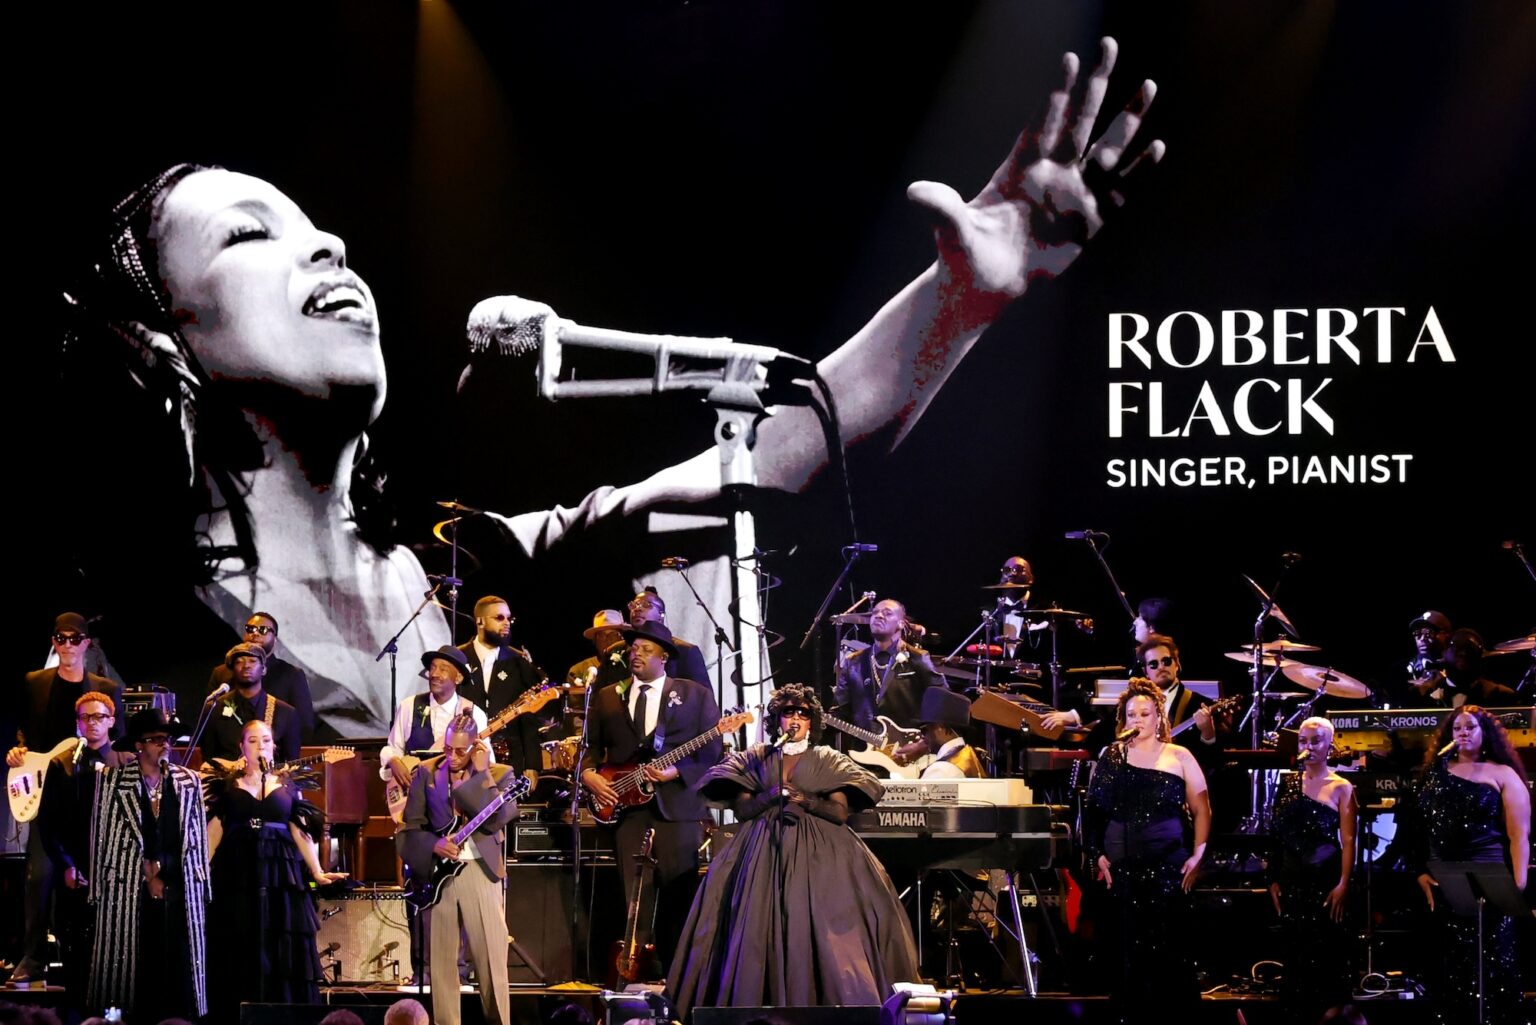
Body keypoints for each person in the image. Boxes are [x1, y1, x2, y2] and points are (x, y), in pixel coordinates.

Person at [55, 36, 1164, 735]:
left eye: (321, 224)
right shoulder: (137, 620)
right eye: (253, 235)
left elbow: (773, 451)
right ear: (163, 340)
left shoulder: (472, 557)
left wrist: (962, 295)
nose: (330, 244)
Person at [666, 684, 918, 1016]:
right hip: (760, 852)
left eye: (803, 713)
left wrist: (806, 800)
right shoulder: (758, 757)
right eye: (789, 713)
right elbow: (742, 811)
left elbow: (840, 813)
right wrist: (769, 796)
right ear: (777, 720)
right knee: (751, 929)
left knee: (831, 934)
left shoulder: (828, 758)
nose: (796, 719)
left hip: (823, 856)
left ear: (813, 720)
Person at [579, 620, 723, 972]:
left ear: (664, 657)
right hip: (627, 811)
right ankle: (637, 972)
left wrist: (677, 771)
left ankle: (679, 976)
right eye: (633, 649)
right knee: (635, 897)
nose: (636, 654)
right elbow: (589, 748)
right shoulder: (608, 696)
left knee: (679, 896)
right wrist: (589, 775)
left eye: (645, 649)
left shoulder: (695, 695)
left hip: (678, 808)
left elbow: (713, 753)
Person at [6, 613, 125, 988]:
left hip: (92, 794)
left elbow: (117, 739)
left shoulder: (105, 687)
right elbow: (24, 730)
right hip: (48, 787)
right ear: (54, 642)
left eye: (76, 639)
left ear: (87, 644)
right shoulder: (34, 682)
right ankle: (33, 956)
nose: (69, 645)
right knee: (39, 874)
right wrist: (19, 750)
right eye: (62, 638)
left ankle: (103, 958)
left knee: (98, 876)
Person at [204, 719, 346, 1019]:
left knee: (280, 939)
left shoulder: (287, 785)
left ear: (274, 746)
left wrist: (318, 871)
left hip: (280, 872)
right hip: (238, 869)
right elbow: (215, 830)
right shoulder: (228, 784)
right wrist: (202, 870)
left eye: (265, 740)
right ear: (242, 746)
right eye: (253, 740)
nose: (260, 746)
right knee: (239, 938)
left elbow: (300, 831)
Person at [1082, 678, 1210, 1006]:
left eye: (1145, 713)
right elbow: (1094, 811)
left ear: (1159, 718)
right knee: (1127, 957)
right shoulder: (1113, 755)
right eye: (1131, 714)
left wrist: (1198, 855)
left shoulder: (1179, 755)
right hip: (1124, 872)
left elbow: (1202, 808)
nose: (1138, 720)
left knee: (1169, 953)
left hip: (1168, 867)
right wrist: (1097, 855)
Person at [1405, 706, 1530, 1025]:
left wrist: (1517, 883)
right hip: (1445, 879)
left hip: (1489, 874)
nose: (1462, 732)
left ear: (1484, 733)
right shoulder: (1435, 772)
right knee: (1452, 964)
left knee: (1492, 961)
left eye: (1470, 727)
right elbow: (1415, 828)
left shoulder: (1502, 773)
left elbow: (1518, 834)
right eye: (1457, 727)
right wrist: (1420, 872)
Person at [86, 709, 209, 1023]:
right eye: (156, 740)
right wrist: (141, 873)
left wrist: (186, 879)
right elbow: (103, 835)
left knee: (177, 959)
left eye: (167, 739)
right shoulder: (113, 780)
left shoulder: (188, 780)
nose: (164, 745)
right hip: (129, 886)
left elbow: (196, 837)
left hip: (178, 885)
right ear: (139, 745)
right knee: (131, 963)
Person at [396, 714, 520, 1025]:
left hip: (480, 870)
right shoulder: (425, 772)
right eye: (448, 748)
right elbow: (410, 829)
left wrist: (480, 775)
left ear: (476, 746)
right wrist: (434, 845)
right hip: (441, 876)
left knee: (491, 962)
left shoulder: (500, 773)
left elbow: (497, 819)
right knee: (441, 966)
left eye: (460, 751)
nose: (452, 756)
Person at [35, 694, 127, 1008]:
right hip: (76, 870)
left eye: (99, 717)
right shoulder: (62, 765)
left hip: (116, 874)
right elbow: (47, 824)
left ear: (111, 721)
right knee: (74, 947)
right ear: (78, 723)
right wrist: (66, 864)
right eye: (86, 717)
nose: (92, 723)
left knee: (115, 949)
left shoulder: (126, 763)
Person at [1268, 716, 1357, 1017]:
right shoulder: (1288, 782)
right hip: (1292, 878)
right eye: (1304, 741)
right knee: (1296, 950)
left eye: (1316, 740)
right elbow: (1277, 834)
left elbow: (1348, 841)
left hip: (1325, 878)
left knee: (1326, 950)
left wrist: (1344, 883)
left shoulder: (1341, 787)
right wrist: (1274, 877)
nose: (1309, 747)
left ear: (1330, 745)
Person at [455, 595, 545, 777]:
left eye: (508, 618)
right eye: (499, 618)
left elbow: (528, 717)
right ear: (480, 621)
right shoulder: (458, 657)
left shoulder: (518, 661)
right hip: (464, 758)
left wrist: (532, 765)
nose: (507, 623)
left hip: (511, 760)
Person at [205, 611, 316, 742]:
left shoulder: (292, 675)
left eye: (263, 630)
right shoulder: (222, 673)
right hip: (227, 757)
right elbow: (209, 723)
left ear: (275, 639)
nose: (255, 633)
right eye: (250, 629)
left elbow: (304, 726)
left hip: (275, 756)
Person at [833, 598, 937, 733]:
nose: (878, 616)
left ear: (901, 624)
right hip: (863, 748)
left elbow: (941, 703)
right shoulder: (853, 662)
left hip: (908, 748)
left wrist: (923, 743)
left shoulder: (918, 658)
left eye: (887, 613)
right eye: (874, 613)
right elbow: (840, 710)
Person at [199, 642, 302, 764]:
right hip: (225, 782)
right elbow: (209, 758)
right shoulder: (214, 708)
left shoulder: (285, 712)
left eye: (252, 661)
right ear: (232, 670)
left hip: (270, 782)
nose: (246, 665)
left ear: (263, 669)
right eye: (239, 662)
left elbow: (291, 763)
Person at [626, 588, 711, 687]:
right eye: (634, 605)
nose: (637, 609)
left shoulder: (685, 652)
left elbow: (704, 698)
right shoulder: (616, 651)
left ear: (661, 615)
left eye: (646, 605)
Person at [916, 687, 985, 779]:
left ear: (940, 727)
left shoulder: (941, 770)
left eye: (925, 729)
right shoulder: (969, 756)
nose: (923, 737)